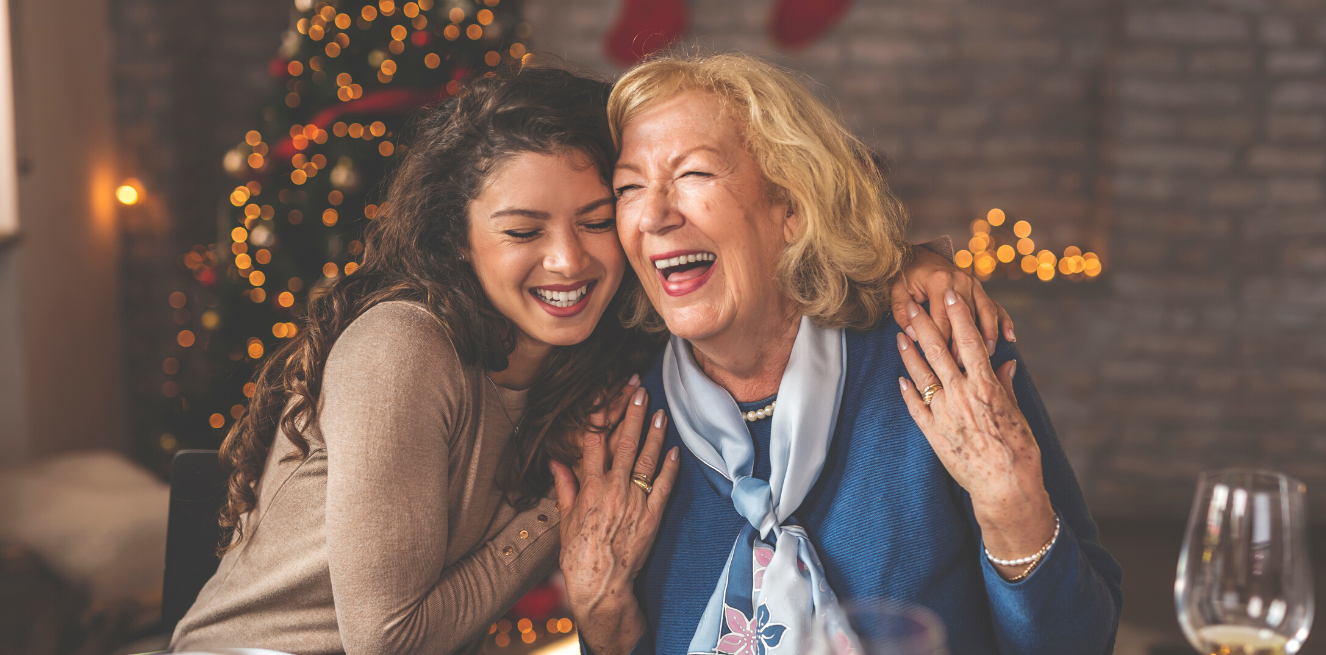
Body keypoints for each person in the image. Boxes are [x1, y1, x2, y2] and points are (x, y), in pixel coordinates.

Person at [171, 66, 1004, 654]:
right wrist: (560, 517)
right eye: (522, 231)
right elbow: (386, 639)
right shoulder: (405, 346)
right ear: (458, 241)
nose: (568, 261)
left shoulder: (611, 349)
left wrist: (911, 263)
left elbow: (794, 228)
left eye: (599, 217)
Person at [553, 53, 1122, 655]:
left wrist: (1013, 506)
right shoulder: (624, 427)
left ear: (791, 210)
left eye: (693, 174)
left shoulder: (937, 358)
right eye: (629, 188)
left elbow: (1081, 642)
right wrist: (602, 618)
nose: (655, 215)